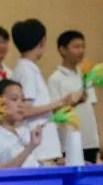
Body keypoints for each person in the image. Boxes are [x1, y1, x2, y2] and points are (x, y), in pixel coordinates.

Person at [48, 30, 103, 185]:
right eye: (75, 46)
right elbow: (56, 111)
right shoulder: (56, 78)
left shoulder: (85, 75)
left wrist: (101, 140)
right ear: (62, 49)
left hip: (89, 140)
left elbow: (90, 109)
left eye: (83, 46)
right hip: (70, 142)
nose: (80, 51)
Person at [10, 19, 78, 164]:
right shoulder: (26, 70)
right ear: (42, 42)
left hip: (42, 147)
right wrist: (61, 102)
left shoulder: (28, 68)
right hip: (38, 148)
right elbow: (25, 111)